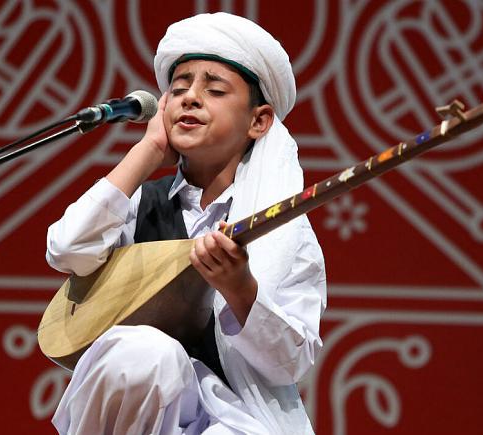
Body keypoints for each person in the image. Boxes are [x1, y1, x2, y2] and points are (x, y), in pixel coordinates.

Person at [46, 12, 326, 435]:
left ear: (259, 121)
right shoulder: (142, 205)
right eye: (178, 89)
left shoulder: (286, 232)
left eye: (214, 90)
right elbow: (67, 251)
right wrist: (148, 150)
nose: (190, 98)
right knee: (143, 353)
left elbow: (290, 363)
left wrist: (240, 289)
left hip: (238, 419)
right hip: (143, 413)